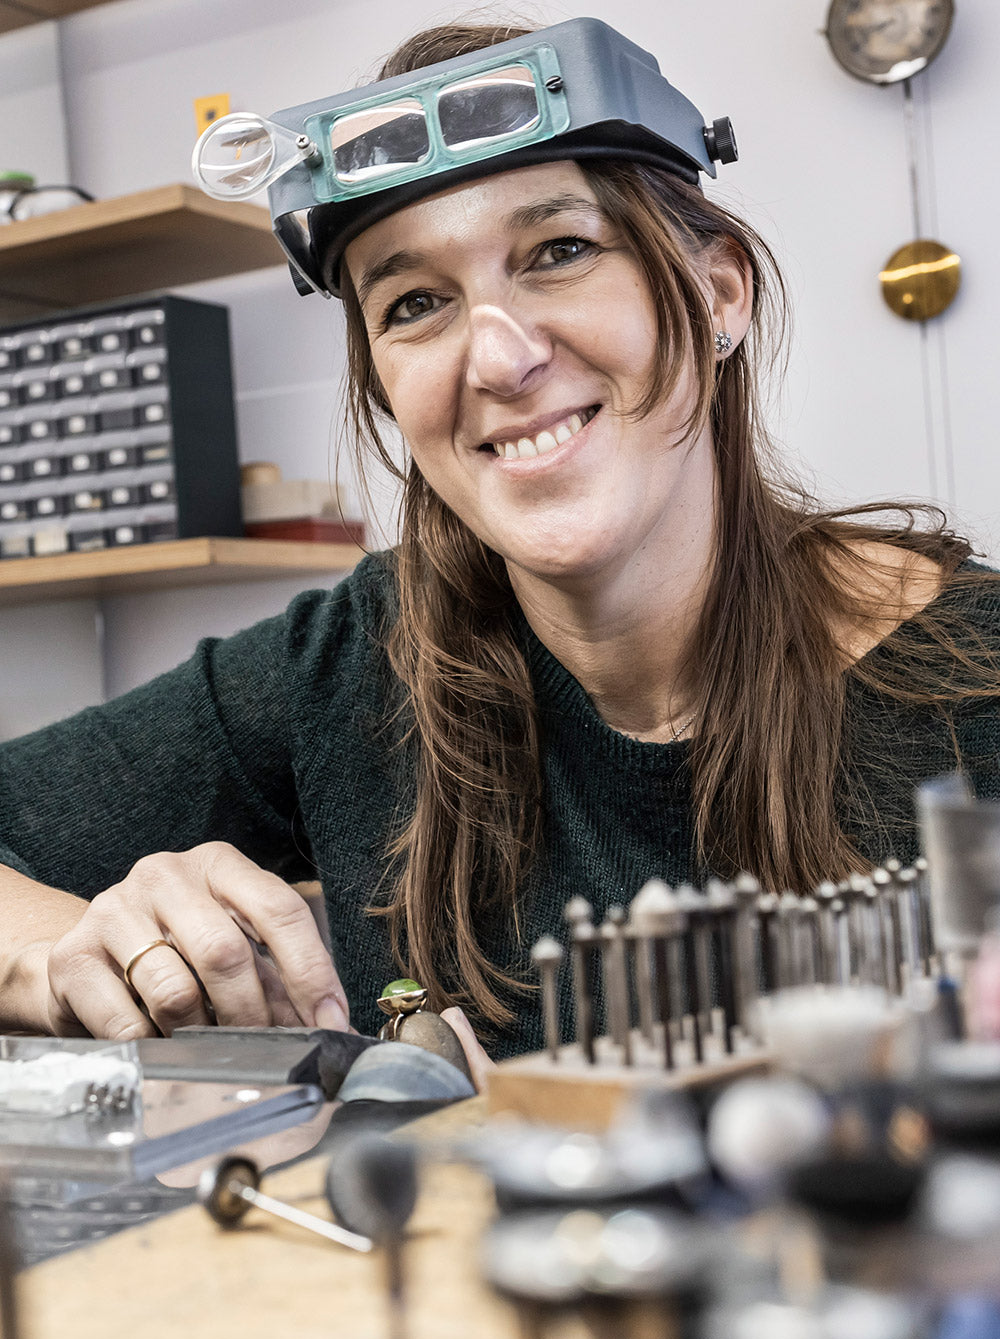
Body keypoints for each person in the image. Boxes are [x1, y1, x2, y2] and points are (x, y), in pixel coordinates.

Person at [0, 18, 998, 1060]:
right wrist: (67, 952)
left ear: (717, 292)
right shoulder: (351, 661)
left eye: (560, 252)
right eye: (415, 303)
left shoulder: (974, 679)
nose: (498, 357)